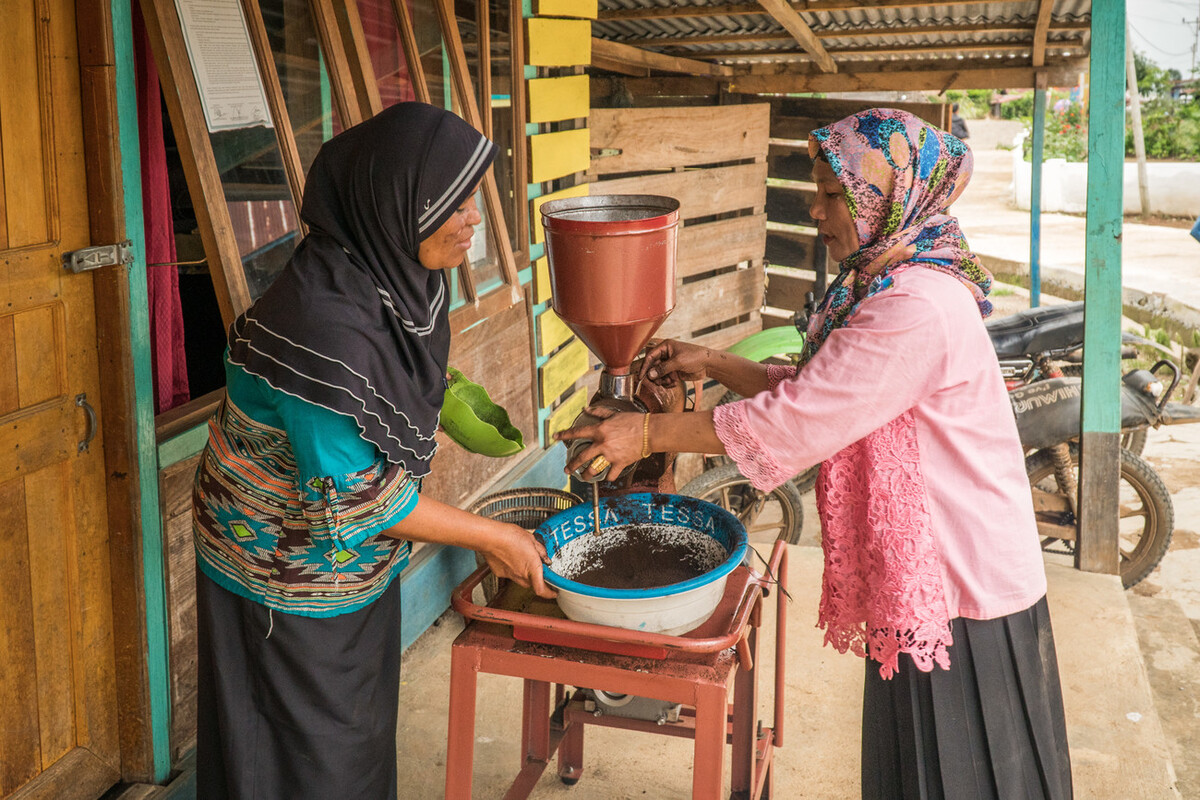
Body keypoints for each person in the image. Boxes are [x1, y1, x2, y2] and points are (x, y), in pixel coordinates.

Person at [558, 108, 1073, 799]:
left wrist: (645, 435)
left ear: (887, 196)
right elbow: (824, 387)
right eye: (819, 189)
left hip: (961, 588)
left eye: (834, 193)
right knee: (913, 769)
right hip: (924, 576)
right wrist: (712, 361)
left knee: (963, 772)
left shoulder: (913, 304)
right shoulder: (882, 280)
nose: (816, 207)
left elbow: (797, 420)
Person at [192, 101, 554, 800]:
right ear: (393, 207)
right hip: (278, 570)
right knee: (300, 751)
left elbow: (392, 376)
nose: (474, 217)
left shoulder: (388, 275)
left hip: (351, 568)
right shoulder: (322, 333)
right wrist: (495, 537)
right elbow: (357, 501)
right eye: (452, 203)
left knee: (351, 734)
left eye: (473, 196)